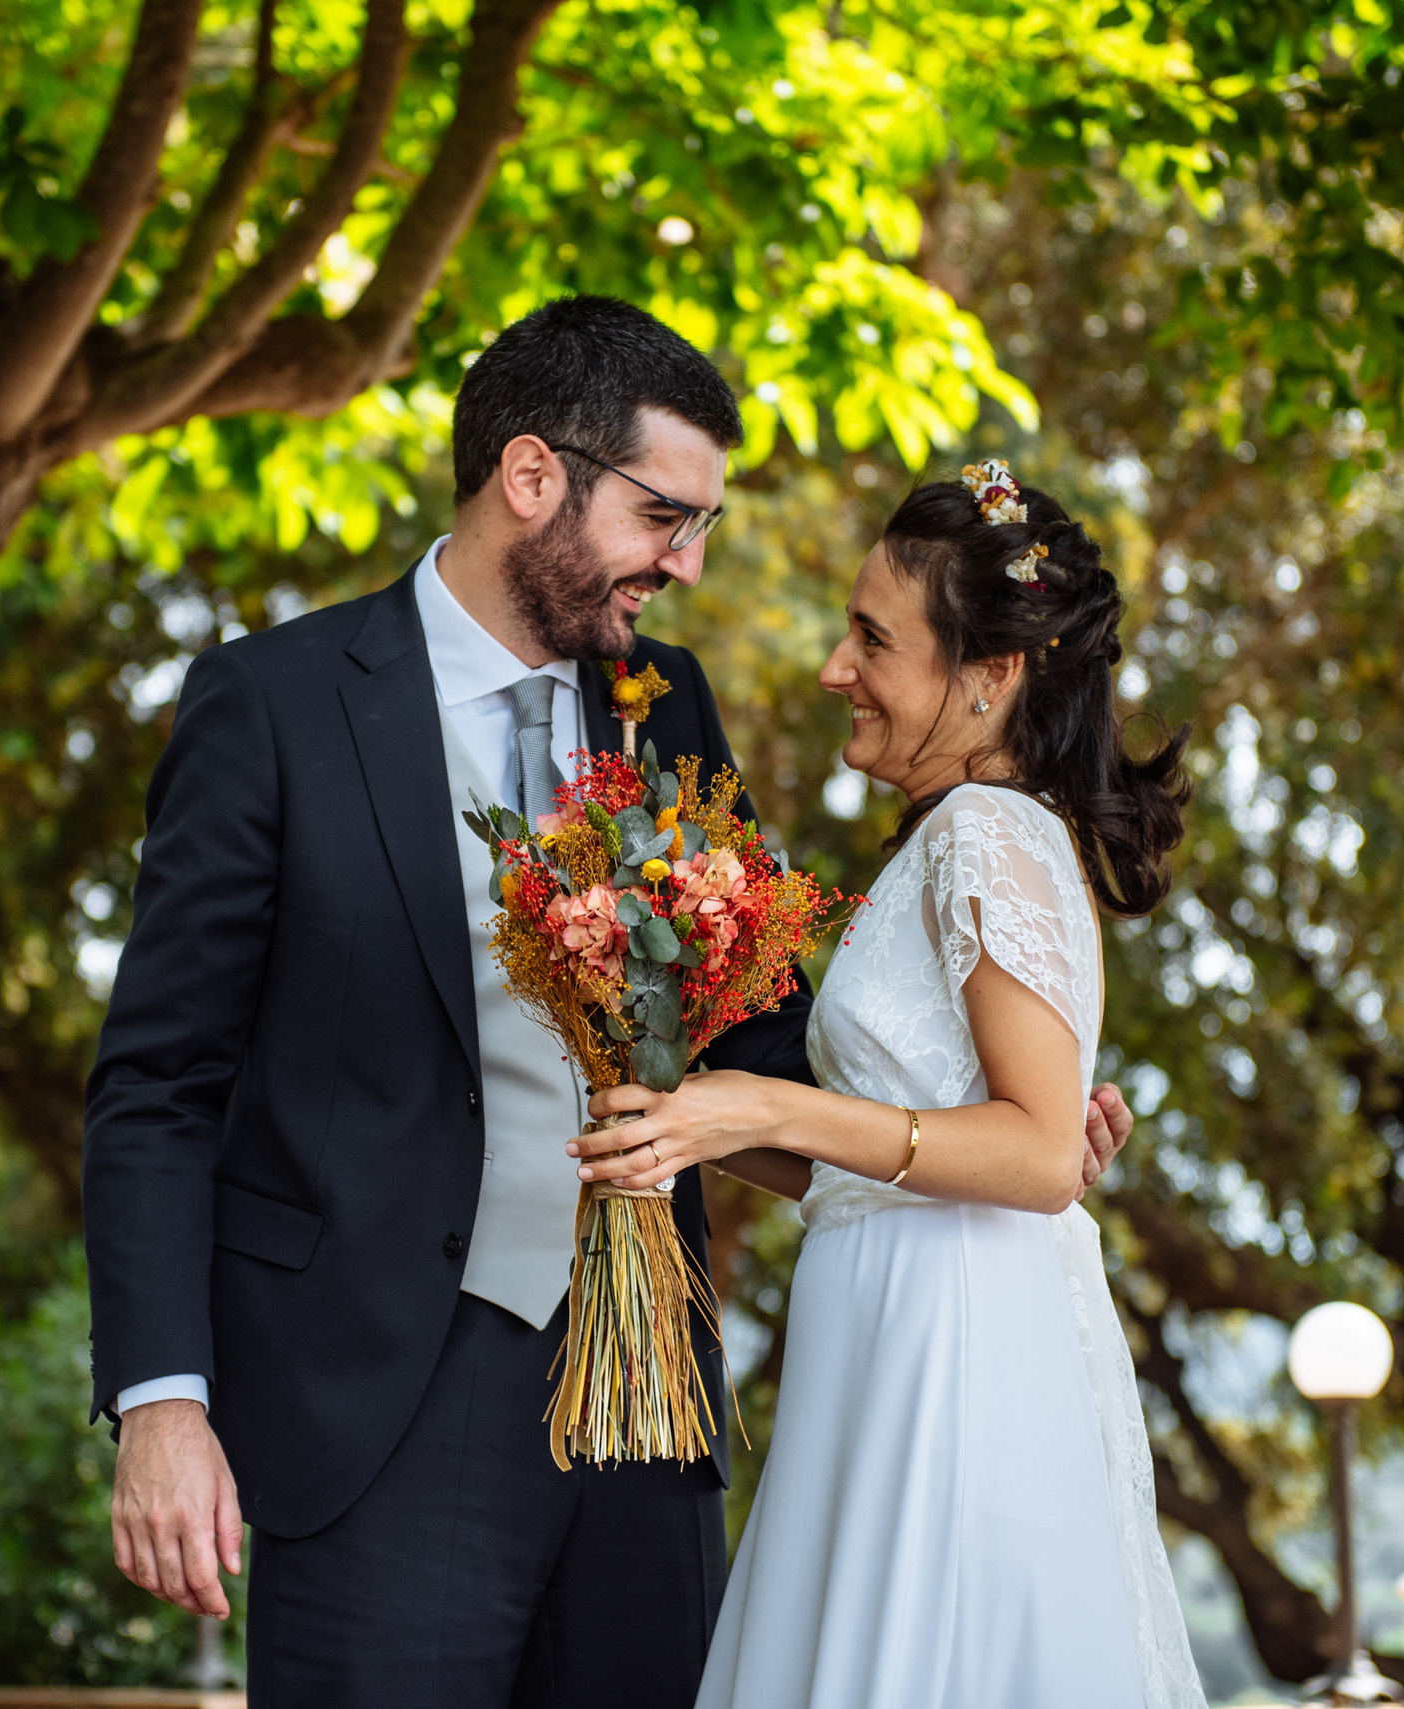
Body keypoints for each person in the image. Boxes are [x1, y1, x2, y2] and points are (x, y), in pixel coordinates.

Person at [80, 301, 1137, 1709]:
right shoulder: (273, 704)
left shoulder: (668, 702)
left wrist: (991, 1137)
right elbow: (157, 1084)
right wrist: (163, 1399)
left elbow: (750, 1045)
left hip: (647, 1411)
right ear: (533, 477)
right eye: (662, 516)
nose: (686, 563)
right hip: (375, 1409)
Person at [569, 463, 1207, 1709]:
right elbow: (889, 1154)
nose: (834, 668)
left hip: (948, 1347)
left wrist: (761, 1102)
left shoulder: (984, 831)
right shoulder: (960, 834)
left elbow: (1037, 1154)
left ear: (988, 673)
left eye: (872, 638)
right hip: (890, 1323)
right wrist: (683, 1113)